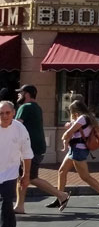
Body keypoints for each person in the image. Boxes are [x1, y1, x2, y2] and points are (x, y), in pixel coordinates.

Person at [14, 85, 69, 213]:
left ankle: (61, 195)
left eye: (20, 92)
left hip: (30, 148)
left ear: (26, 94)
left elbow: (16, 126)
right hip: (36, 147)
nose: (18, 95)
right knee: (23, 177)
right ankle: (19, 206)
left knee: (30, 177)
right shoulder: (37, 107)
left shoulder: (25, 107)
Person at [57, 100, 99, 206]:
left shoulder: (83, 118)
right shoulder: (88, 117)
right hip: (75, 149)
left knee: (85, 177)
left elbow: (69, 132)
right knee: (62, 171)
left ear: (75, 110)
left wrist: (64, 135)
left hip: (78, 150)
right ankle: (60, 197)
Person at [0, 101, 34, 227]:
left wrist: (26, 175)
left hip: (9, 173)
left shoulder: (20, 129)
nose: (4, 116)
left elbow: (26, 153)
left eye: (7, 113)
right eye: (1, 113)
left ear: (13, 113)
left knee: (6, 206)